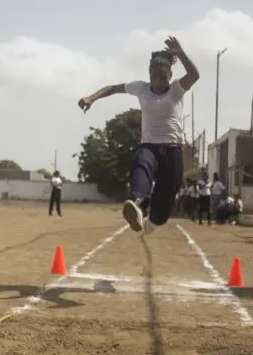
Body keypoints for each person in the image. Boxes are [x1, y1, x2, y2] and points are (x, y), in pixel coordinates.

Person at [77, 36, 199, 234]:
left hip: (172, 149)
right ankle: (136, 203)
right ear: (148, 75)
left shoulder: (176, 89)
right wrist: (91, 98)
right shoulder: (141, 88)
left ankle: (155, 219)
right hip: (149, 145)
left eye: (162, 77)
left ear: (169, 76)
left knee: (167, 197)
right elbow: (112, 88)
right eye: (154, 77)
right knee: (141, 163)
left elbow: (194, 74)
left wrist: (181, 53)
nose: (157, 82)